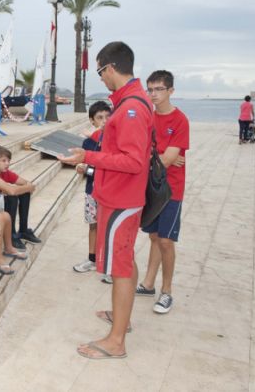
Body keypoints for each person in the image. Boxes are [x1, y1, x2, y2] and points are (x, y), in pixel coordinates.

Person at [57, 41, 153, 359]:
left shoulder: (130, 108)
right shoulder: (130, 101)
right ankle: (121, 318)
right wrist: (91, 159)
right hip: (119, 195)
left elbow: (134, 161)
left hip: (121, 199)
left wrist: (90, 156)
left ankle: (116, 341)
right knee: (125, 259)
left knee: (120, 267)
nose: (101, 78)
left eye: (100, 71)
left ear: (110, 68)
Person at [135, 70, 189, 315]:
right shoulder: (147, 118)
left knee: (166, 241)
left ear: (170, 91)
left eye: (158, 89)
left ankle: (167, 291)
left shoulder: (180, 120)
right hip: (150, 188)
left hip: (171, 190)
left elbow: (167, 160)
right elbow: (143, 154)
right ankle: (148, 283)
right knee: (154, 237)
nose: (153, 94)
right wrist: (160, 157)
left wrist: (158, 157)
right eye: (150, 89)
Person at [70, 101, 112, 284]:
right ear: (92, 121)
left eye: (107, 116)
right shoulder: (87, 142)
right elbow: (85, 164)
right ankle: (92, 259)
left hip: (109, 192)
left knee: (109, 228)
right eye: (99, 118)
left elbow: (107, 168)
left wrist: (87, 169)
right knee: (93, 225)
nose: (104, 121)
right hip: (91, 190)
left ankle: (110, 266)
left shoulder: (113, 141)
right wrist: (81, 167)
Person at [0, 145, 41, 249]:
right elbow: (12, 191)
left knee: (24, 193)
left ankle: (23, 230)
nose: (7, 163)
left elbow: (27, 183)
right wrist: (26, 187)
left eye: (8, 160)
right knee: (12, 197)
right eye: (4, 160)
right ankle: (11, 234)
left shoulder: (6, 173)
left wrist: (27, 187)